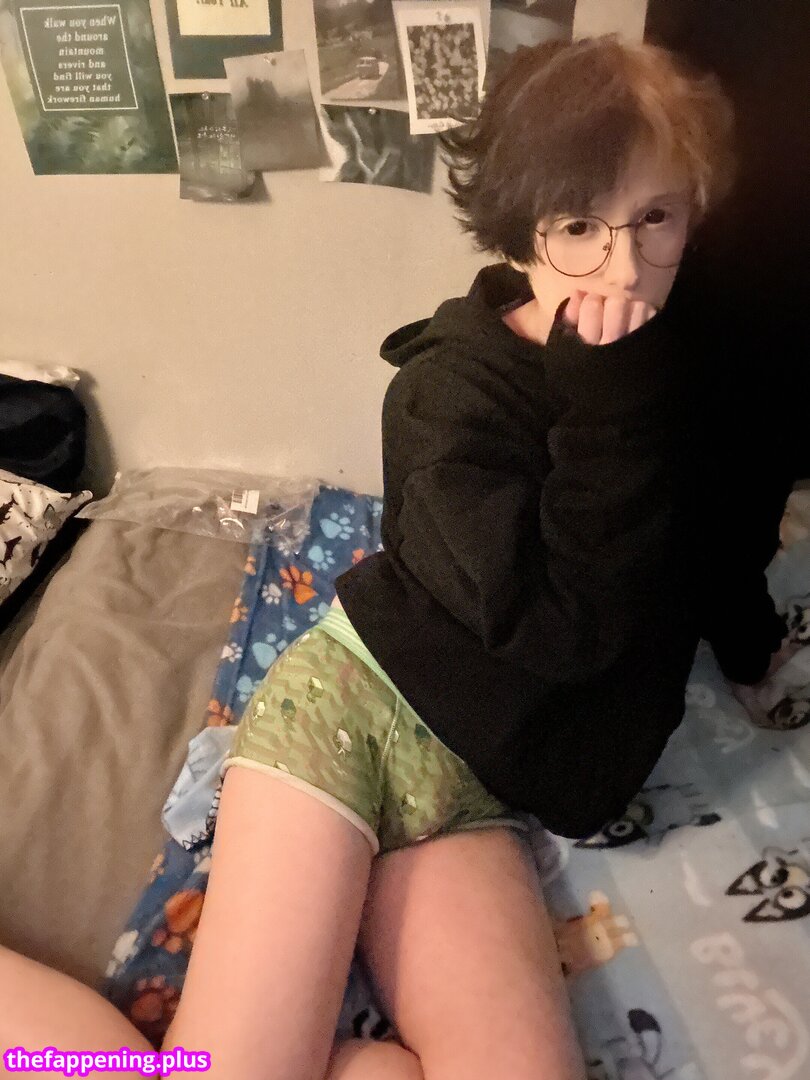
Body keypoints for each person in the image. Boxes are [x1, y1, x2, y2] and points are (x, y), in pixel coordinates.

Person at [0, 34, 796, 1080]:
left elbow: (716, 528)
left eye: (656, 216)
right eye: (578, 225)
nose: (623, 265)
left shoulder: (688, 368)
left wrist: (750, 650)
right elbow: (561, 627)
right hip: (356, 720)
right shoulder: (446, 395)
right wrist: (610, 410)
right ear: (519, 226)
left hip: (486, 782)